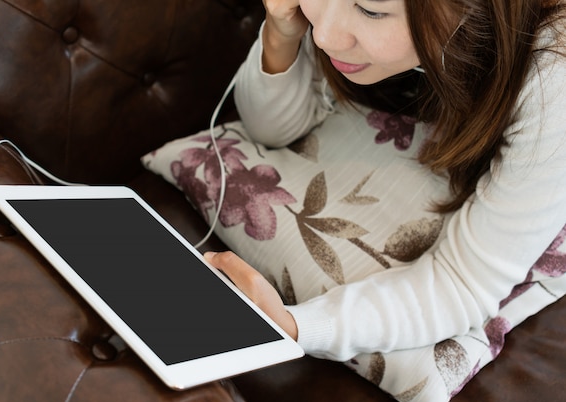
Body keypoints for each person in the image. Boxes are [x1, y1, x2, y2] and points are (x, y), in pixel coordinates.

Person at [203, 0, 566, 361]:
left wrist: (295, 327)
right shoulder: (330, 16)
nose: (325, 36)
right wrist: (282, 33)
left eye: (372, 11)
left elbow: (461, 283)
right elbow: (270, 129)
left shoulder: (553, 75)